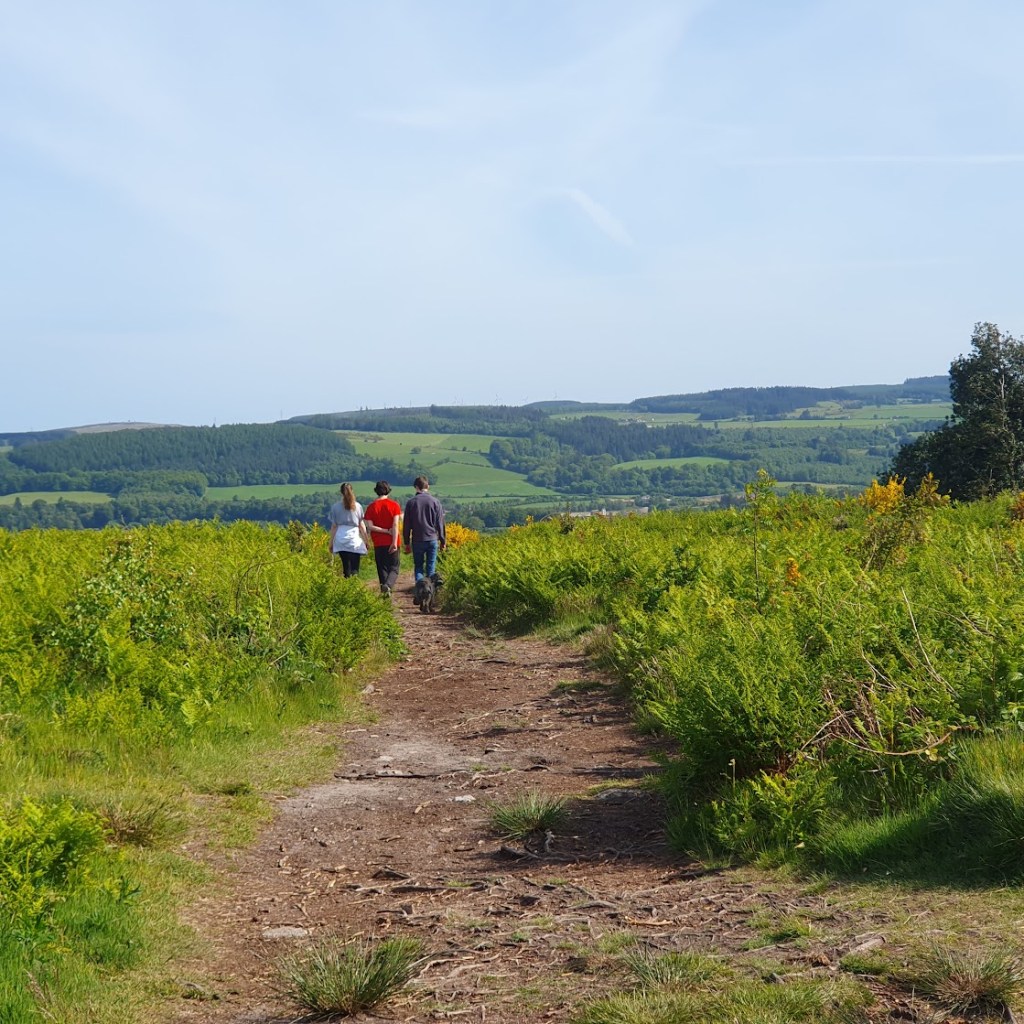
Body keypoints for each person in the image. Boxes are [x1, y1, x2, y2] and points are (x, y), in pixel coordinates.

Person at [402, 475, 446, 585]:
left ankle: (420, 588)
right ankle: (430, 589)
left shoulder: (411, 503)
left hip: (417, 540)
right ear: (428, 486)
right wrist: (443, 541)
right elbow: (440, 523)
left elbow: (406, 525)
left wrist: (406, 543)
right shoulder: (436, 502)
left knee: (418, 567)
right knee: (431, 567)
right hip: (432, 539)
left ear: (416, 487)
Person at [363, 480, 402, 597]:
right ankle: (389, 585)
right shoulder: (394, 505)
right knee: (394, 568)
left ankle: (385, 599)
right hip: (392, 540)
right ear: (388, 490)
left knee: (382, 569)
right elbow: (395, 525)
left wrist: (384, 531)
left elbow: (370, 526)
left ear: (376, 491)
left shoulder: (371, 507)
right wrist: (394, 541)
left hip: (378, 542)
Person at [328, 482, 368, 577]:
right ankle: (355, 585)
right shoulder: (358, 506)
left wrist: (331, 543)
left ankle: (347, 586)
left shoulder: (335, 507)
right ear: (352, 491)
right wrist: (366, 540)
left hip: (341, 538)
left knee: (346, 566)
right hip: (354, 538)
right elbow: (361, 525)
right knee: (355, 567)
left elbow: (334, 527)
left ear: (341, 492)